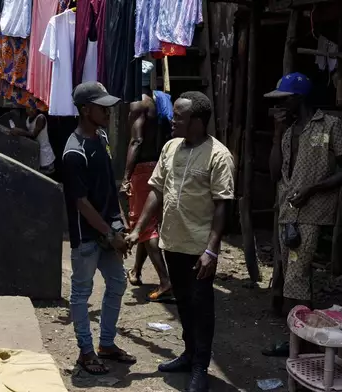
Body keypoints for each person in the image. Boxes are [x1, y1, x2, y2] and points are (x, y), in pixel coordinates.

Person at [127, 91, 235, 392]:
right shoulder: (171, 147)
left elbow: (222, 205)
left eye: (179, 117)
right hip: (172, 242)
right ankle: (188, 354)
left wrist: (212, 250)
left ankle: (201, 366)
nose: (172, 120)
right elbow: (156, 191)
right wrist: (137, 230)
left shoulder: (218, 156)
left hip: (199, 248)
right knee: (184, 305)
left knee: (201, 307)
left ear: (198, 122)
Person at [263, 72, 342, 356]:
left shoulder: (330, 125)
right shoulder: (289, 132)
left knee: (296, 277)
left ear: (298, 99)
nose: (279, 106)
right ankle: (303, 338)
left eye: (284, 100)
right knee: (295, 275)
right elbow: (274, 174)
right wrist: (277, 134)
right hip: (288, 211)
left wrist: (315, 188)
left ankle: (296, 342)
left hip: (312, 212)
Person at [62, 81, 136, 375]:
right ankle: (86, 352)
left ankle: (106, 344)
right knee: (81, 292)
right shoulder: (73, 152)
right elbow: (81, 203)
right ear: (84, 110)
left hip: (108, 230)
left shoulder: (102, 137)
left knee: (117, 283)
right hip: (88, 235)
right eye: (101, 106)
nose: (108, 110)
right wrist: (109, 234)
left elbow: (107, 186)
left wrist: (121, 221)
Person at [120, 61, 173, 302]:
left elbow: (137, 141)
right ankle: (137, 270)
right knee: (145, 220)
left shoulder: (138, 102)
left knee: (145, 226)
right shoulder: (158, 99)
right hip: (157, 164)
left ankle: (165, 280)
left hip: (143, 168)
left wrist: (126, 176)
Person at [10, 107, 56, 175]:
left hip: (46, 157)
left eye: (33, 108)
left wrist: (19, 131)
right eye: (28, 108)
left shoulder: (41, 118)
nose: (30, 110)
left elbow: (33, 135)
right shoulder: (28, 119)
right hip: (37, 154)